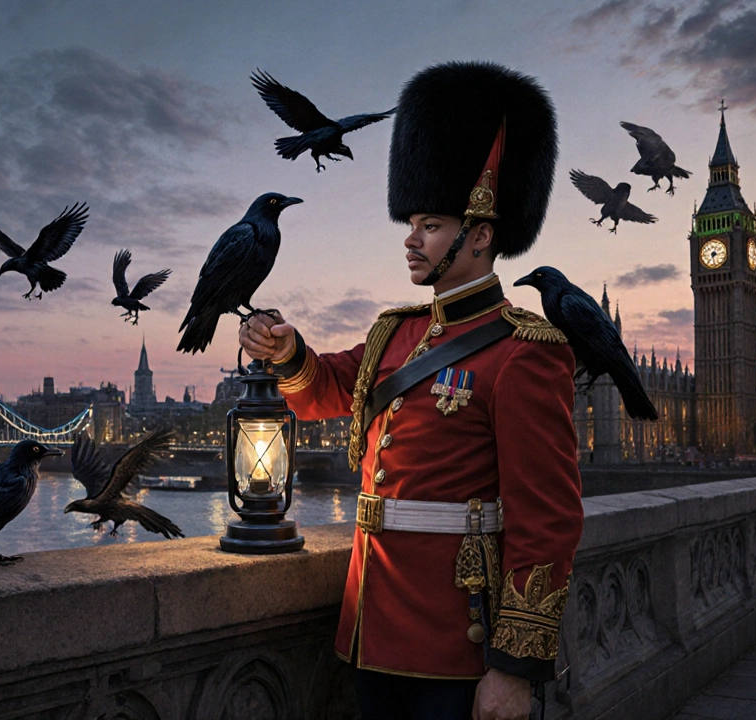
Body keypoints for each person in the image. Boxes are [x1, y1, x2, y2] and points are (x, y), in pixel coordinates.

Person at [239, 62, 583, 720]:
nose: (411, 238)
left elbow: (548, 523)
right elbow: (326, 389)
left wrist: (514, 665)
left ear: (480, 236)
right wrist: (287, 352)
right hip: (373, 628)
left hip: (459, 640)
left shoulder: (525, 354)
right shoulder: (395, 334)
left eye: (430, 224)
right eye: (413, 222)